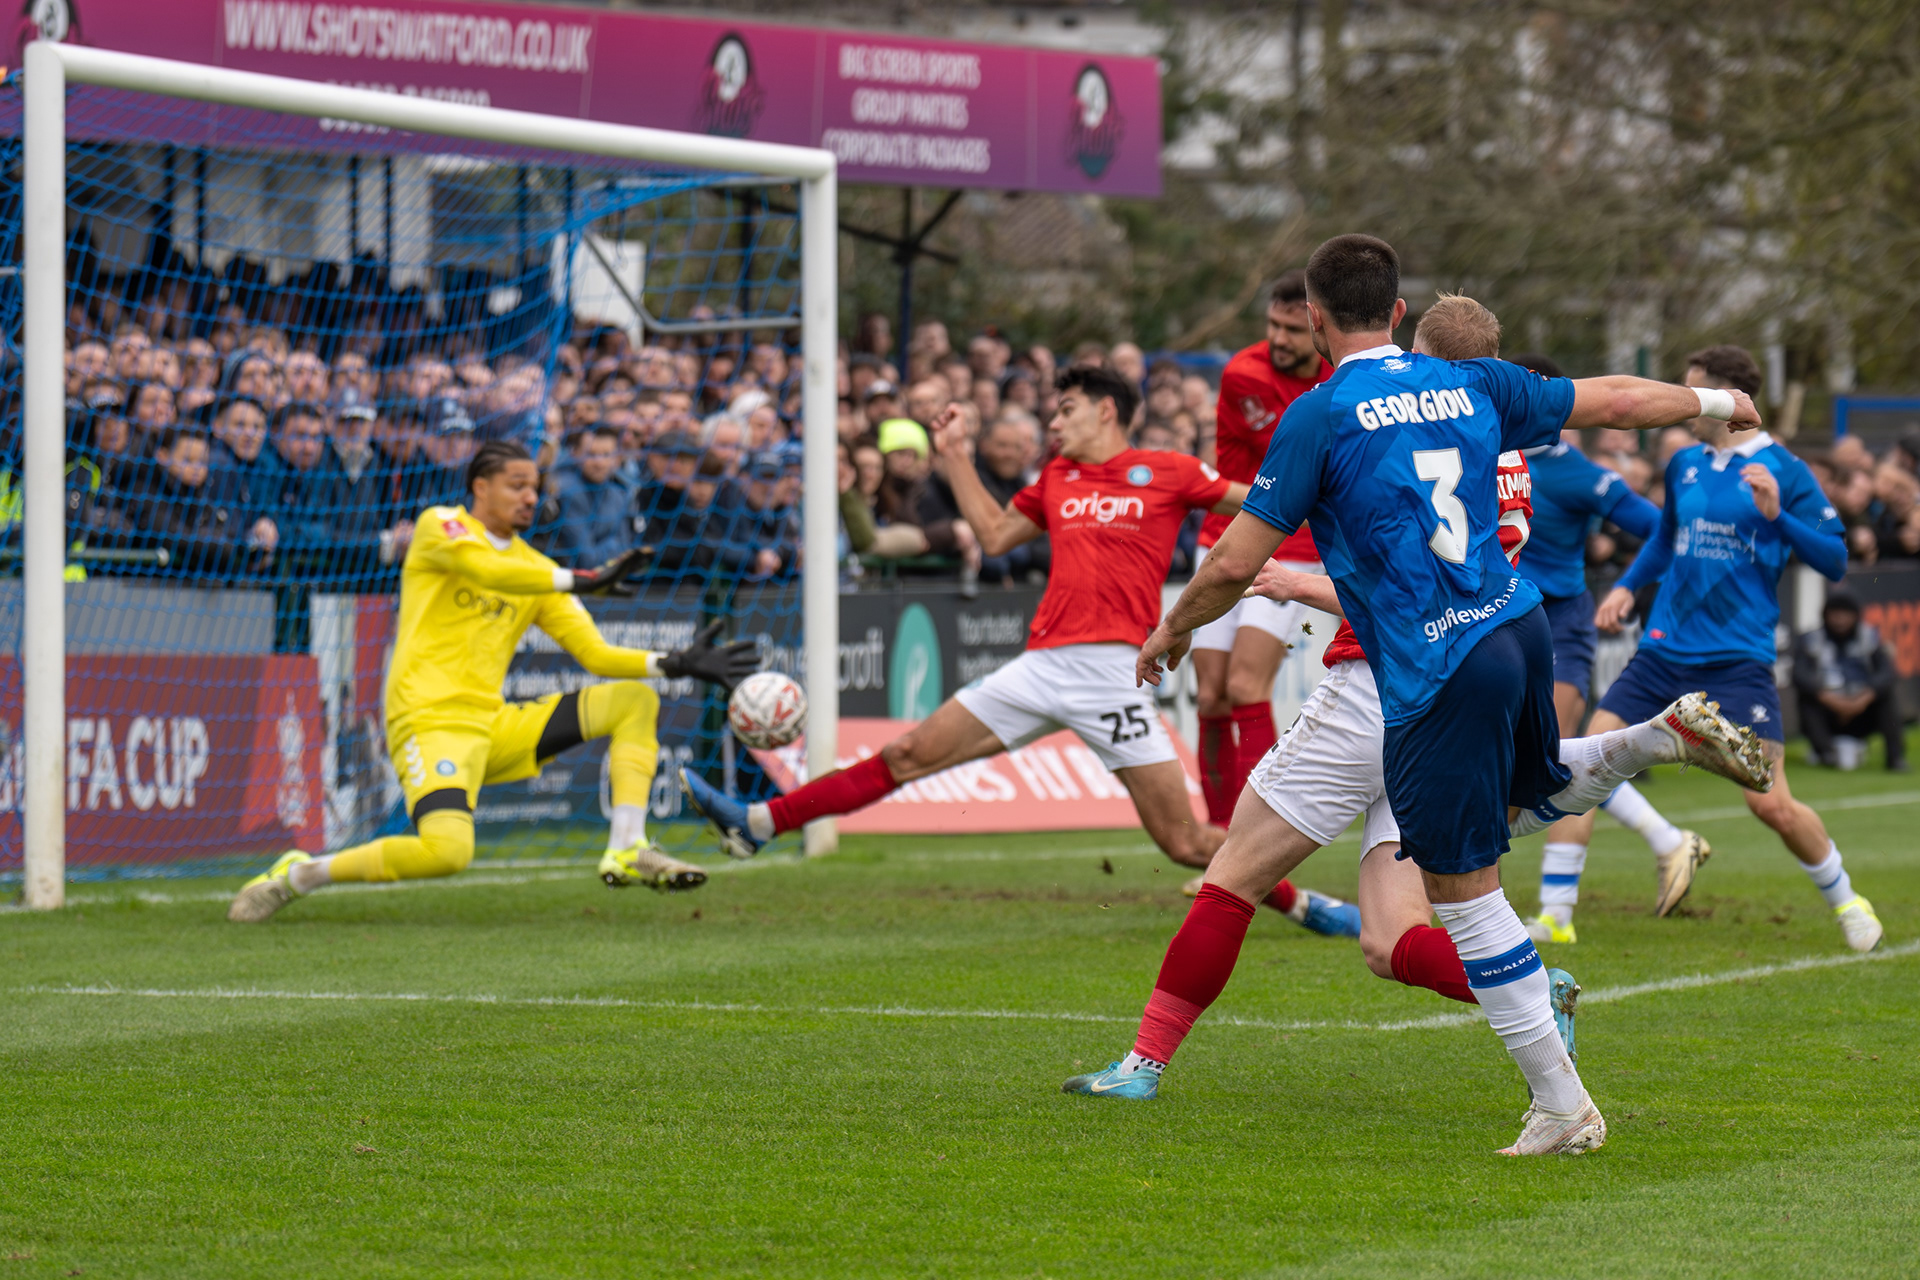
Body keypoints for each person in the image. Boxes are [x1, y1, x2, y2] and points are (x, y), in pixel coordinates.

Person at [1114, 236, 1772, 1155]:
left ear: (1312, 317)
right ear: (1395, 312)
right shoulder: (1479, 385)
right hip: (1517, 628)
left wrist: (1174, 627)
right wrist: (1716, 402)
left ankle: (1562, 1104)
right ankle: (1645, 743)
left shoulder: (1317, 412)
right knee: (1481, 842)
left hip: (1413, 669)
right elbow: (1617, 398)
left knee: (1451, 892)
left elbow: (1232, 558)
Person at [680, 367, 1353, 925]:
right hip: (1041, 664)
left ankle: (1306, 906)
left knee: (1183, 843)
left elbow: (1267, 502)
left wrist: (1328, 536)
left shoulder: (1169, 470)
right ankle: (762, 822)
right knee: (906, 752)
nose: (1052, 426)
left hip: (1114, 674)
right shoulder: (1057, 478)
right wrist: (953, 455)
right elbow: (996, 535)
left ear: (1107, 411)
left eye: (1065, 410)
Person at [227, 440, 761, 923]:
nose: (530, 497)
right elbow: (487, 572)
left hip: (493, 724)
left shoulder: (536, 569)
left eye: (535, 488)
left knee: (633, 700)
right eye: (517, 485)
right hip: (429, 723)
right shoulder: (442, 527)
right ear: (480, 487)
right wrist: (584, 578)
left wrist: (673, 663)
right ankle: (300, 873)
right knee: (448, 853)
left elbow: (594, 652)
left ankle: (626, 844)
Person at [1591, 347, 1880, 948]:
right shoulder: (1686, 465)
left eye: (1696, 391)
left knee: (1770, 804)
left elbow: (1833, 559)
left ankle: (1847, 899)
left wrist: (1778, 514)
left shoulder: (1786, 470)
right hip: (1663, 650)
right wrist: (1625, 586)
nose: (1686, 401)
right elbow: (1667, 538)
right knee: (1590, 757)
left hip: (1737, 660)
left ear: (1727, 397)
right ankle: (1570, 901)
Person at [1502, 351, 1694, 947]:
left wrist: (1630, 585)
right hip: (1493, 623)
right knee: (1519, 765)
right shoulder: (1480, 454)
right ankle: (1667, 839)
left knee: (1552, 760)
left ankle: (1556, 911)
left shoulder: (1578, 473)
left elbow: (1662, 526)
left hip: (1560, 624)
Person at [1189, 271, 1332, 837]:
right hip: (1226, 538)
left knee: (1246, 688)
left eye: (1293, 329)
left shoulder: (1337, 380)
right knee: (1210, 697)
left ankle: (1256, 837)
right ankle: (1218, 835)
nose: (1280, 339)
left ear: (1316, 324)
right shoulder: (1242, 373)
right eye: (1273, 325)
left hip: (1293, 549)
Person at [1792, 590, 1905, 772]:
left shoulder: (1870, 637)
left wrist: (1864, 698)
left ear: (1856, 616)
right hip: (1827, 709)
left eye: (1845, 614)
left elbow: (1888, 673)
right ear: (1825, 615)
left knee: (1887, 697)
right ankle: (1826, 754)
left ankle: (1895, 758)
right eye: (1834, 614)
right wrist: (1830, 699)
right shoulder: (1811, 639)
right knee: (1806, 699)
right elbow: (1799, 675)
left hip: (1861, 706)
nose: (1839, 620)